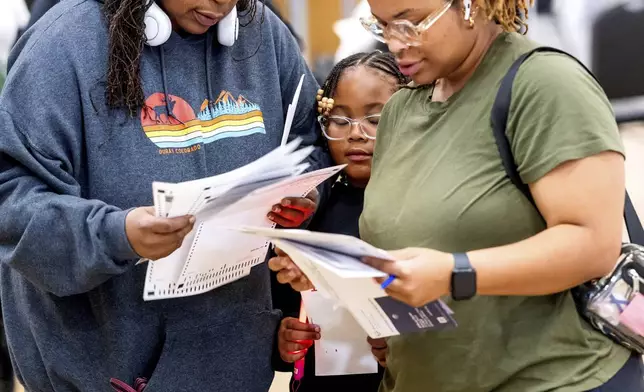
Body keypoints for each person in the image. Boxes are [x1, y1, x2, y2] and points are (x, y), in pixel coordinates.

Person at [270, 0, 644, 391]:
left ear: (473, 6)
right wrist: (331, 274)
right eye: (381, 25)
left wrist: (454, 273)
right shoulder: (402, 108)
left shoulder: (545, 84)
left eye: (410, 23)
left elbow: (591, 245)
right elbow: (415, 243)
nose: (395, 44)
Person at [0, 0, 330, 391]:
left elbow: (310, 141)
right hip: (107, 374)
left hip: (240, 369)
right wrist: (116, 234)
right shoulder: (62, 46)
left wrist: (305, 193)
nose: (221, 5)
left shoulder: (263, 35)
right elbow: (13, 200)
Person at [272, 51, 409, 392]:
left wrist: (407, 345)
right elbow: (287, 307)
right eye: (340, 120)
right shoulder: (308, 210)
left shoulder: (422, 209)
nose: (357, 134)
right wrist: (286, 337)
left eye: (375, 120)